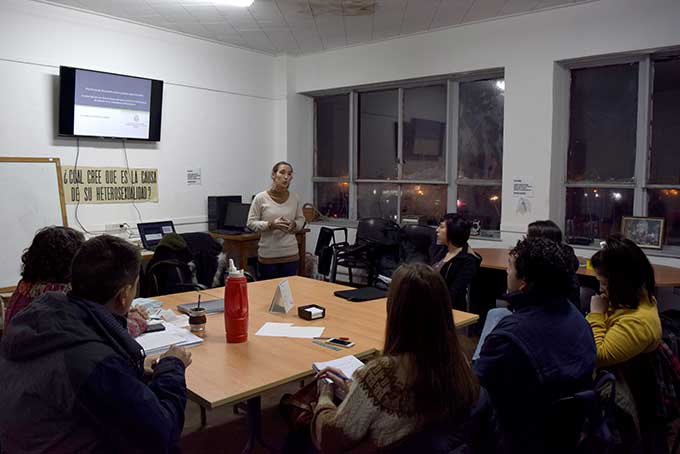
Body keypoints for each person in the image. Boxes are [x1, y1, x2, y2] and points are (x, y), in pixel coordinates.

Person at [0, 235, 191, 453]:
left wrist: (129, 372)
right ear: (124, 295)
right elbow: (161, 432)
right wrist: (172, 367)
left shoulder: (44, 317)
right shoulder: (94, 363)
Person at [312, 263, 491, 453]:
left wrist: (325, 395)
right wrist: (353, 390)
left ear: (395, 310)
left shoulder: (382, 374)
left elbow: (331, 439)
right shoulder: (457, 361)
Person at [474, 238, 596, 453]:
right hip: (567, 432)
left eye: (510, 268)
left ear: (524, 283)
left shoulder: (510, 336)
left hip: (518, 435)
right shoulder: (578, 318)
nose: (506, 272)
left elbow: (476, 388)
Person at [4, 226, 148, 336]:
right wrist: (135, 318)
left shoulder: (24, 286)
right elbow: (110, 332)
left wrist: (121, 312)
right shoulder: (63, 295)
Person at [587, 235, 661, 368]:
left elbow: (597, 356)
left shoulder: (638, 322)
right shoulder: (635, 296)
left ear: (621, 283)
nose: (600, 289)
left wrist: (596, 314)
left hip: (615, 382)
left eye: (603, 283)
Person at [247, 161, 305, 280]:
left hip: (290, 255)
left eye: (289, 174)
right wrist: (270, 225)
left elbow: (301, 219)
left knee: (289, 293)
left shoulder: (295, 198)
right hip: (269, 256)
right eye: (282, 172)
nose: (286, 177)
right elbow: (251, 223)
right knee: (268, 294)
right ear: (273, 175)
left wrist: (295, 224)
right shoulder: (260, 198)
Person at [432, 213, 482, 310]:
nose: (437, 230)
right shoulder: (441, 250)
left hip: (447, 309)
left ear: (452, 231)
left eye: (441, 227)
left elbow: (453, 294)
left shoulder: (467, 261)